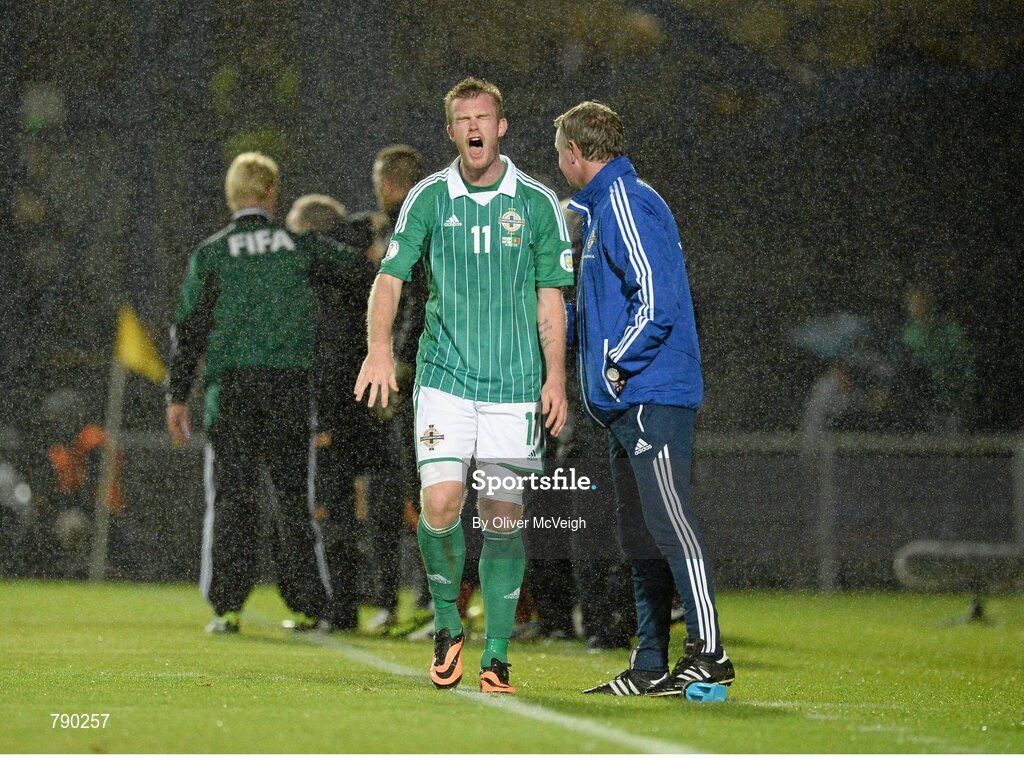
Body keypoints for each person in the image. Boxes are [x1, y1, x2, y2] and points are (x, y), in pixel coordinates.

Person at [354, 77, 574, 693]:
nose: (474, 127)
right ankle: (448, 622)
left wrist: (555, 377)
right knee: (442, 505)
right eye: (463, 119)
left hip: (513, 384)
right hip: (444, 381)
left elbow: (550, 299)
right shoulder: (428, 199)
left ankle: (497, 653)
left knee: (502, 515)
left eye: (484, 117)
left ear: (501, 127)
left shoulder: (536, 203)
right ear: (451, 131)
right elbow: (391, 278)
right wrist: (376, 350)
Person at [554, 101, 735, 696]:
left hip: (650, 392)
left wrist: (613, 366)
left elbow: (654, 301)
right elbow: (604, 309)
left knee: (670, 523)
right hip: (625, 401)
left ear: (576, 153)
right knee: (640, 536)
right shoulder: (604, 211)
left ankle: (709, 653)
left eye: (560, 153)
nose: (559, 164)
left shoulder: (626, 202)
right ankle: (650, 662)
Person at [166, 152, 341, 634]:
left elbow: (189, 330)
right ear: (270, 194)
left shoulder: (212, 254)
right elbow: (355, 266)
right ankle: (308, 603)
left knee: (231, 500)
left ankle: (227, 606)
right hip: (288, 387)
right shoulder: (299, 246)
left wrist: (177, 395)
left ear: (232, 195)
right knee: (292, 499)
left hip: (233, 392)